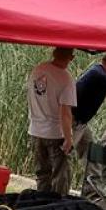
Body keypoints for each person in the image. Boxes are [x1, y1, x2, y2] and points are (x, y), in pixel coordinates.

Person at [27, 47, 78, 195]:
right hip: (55, 133)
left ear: (54, 54)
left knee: (42, 173)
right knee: (61, 173)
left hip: (35, 130)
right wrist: (68, 138)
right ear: (71, 58)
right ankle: (58, 204)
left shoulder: (37, 70)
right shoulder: (66, 79)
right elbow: (65, 113)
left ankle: (41, 200)